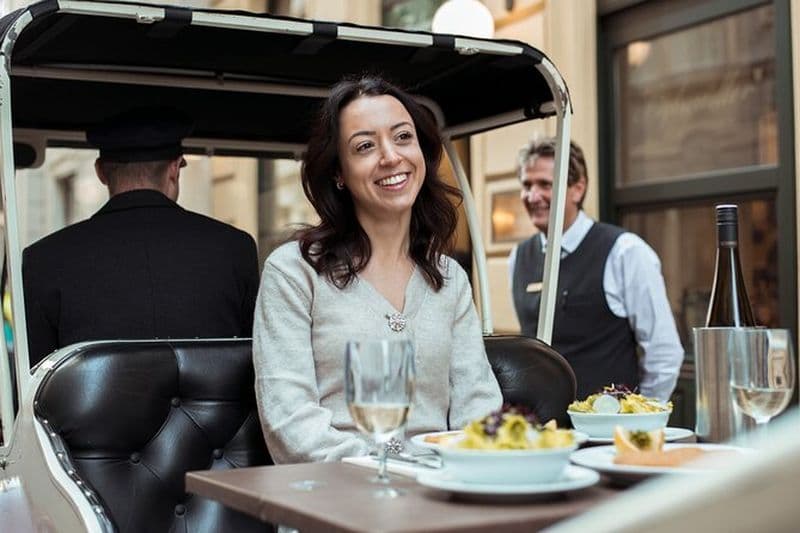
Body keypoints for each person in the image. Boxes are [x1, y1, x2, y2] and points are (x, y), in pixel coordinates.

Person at [253, 76, 502, 464]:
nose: (391, 156)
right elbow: (290, 424)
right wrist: (391, 474)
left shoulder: (450, 279)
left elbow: (480, 408)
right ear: (338, 172)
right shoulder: (293, 273)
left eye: (403, 137)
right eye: (365, 146)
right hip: (335, 500)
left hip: (440, 494)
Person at [23, 108, 259, 367]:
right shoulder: (235, 249)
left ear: (101, 172)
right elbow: (256, 361)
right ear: (174, 169)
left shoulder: (43, 260)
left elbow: (33, 382)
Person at [509, 138, 683, 401]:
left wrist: (639, 420)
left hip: (607, 434)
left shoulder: (625, 252)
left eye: (545, 184)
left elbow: (664, 352)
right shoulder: (517, 257)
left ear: (578, 189)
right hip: (541, 433)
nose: (533, 196)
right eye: (526, 185)